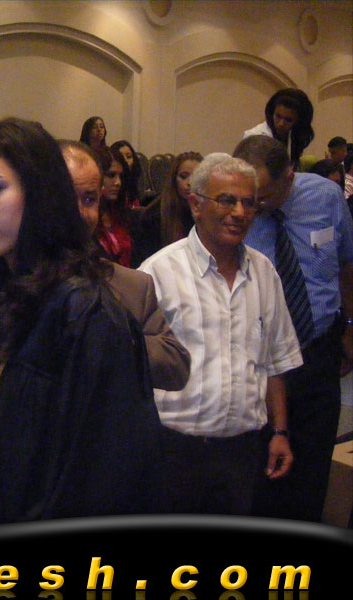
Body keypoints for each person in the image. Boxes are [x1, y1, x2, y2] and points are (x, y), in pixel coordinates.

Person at [0, 117, 165, 529]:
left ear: (41, 193)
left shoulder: (86, 312)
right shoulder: (9, 297)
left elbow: (103, 484)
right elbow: (4, 461)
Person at [139, 152, 302, 515]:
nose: (239, 213)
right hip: (173, 451)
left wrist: (280, 432)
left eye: (249, 202)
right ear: (196, 205)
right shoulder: (158, 273)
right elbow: (132, 370)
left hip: (241, 452)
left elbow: (275, 361)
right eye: (227, 200)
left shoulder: (264, 273)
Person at [234, 134, 353, 522]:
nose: (252, 207)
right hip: (259, 357)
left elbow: (347, 265)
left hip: (318, 349)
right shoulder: (235, 211)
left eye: (262, 198)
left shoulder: (325, 197)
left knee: (312, 468)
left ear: (288, 176)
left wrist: (350, 330)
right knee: (260, 470)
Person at [59, 140, 190, 392]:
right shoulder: (8, 277)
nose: (79, 212)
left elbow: (176, 367)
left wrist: (107, 338)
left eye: (89, 199)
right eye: (66, 197)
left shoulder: (132, 285)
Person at [131, 151, 203, 267]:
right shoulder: (154, 216)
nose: (189, 183)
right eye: (183, 177)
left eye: (196, 177)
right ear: (174, 179)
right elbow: (146, 264)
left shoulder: (208, 214)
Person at [242, 88, 314, 170]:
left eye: (288, 120)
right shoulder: (254, 137)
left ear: (298, 121)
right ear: (272, 112)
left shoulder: (293, 137)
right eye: (278, 116)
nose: (281, 123)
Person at [95, 146, 133, 267]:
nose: (118, 182)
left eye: (120, 176)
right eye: (111, 175)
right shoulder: (87, 217)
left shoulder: (121, 214)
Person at [110, 140, 145, 208]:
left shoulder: (135, 181)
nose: (125, 160)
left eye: (129, 157)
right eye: (121, 157)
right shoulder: (114, 186)